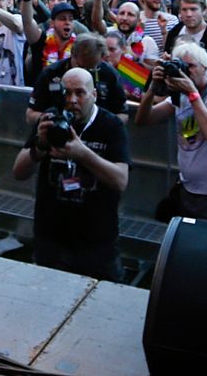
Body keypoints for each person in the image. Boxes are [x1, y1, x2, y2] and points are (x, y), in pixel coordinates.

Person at [12, 66, 129, 279]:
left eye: (80, 93)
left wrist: (83, 154)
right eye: (66, 92)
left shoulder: (111, 125)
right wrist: (39, 146)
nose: (72, 100)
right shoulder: (50, 120)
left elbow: (121, 181)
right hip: (51, 239)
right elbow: (18, 172)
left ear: (94, 95)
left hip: (96, 242)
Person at [133, 41, 207, 225]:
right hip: (189, 189)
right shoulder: (180, 96)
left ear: (205, 68)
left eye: (190, 66)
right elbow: (142, 120)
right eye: (181, 66)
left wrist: (192, 93)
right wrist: (153, 87)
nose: (186, 72)